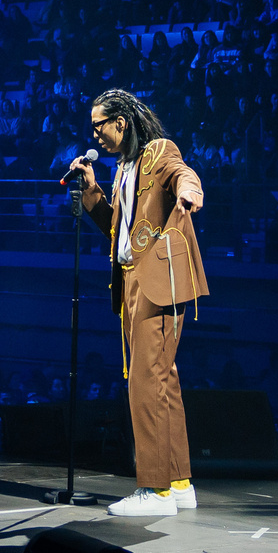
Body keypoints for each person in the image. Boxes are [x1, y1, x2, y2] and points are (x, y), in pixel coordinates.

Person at [62, 89, 209, 518]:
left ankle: (153, 489)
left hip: (156, 279)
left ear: (120, 123)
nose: (95, 135)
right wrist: (91, 193)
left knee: (145, 380)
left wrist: (189, 193)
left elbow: (183, 172)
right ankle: (178, 482)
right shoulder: (124, 168)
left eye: (99, 126)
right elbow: (119, 231)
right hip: (131, 280)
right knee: (164, 379)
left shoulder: (157, 152)